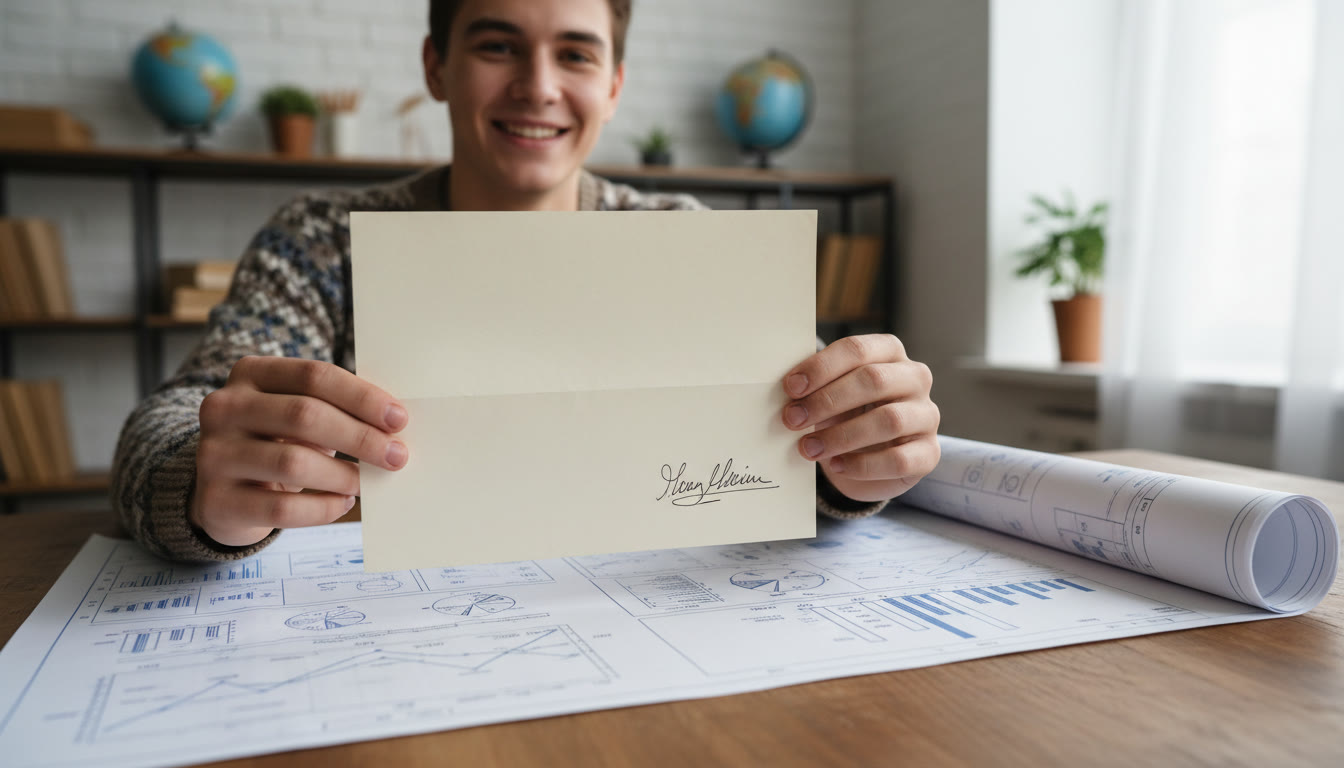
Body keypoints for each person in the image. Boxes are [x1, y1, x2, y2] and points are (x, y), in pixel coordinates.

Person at [111, 0, 941, 563]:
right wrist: (201, 485)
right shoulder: (319, 241)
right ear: (437, 67)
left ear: (614, 86)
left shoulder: (681, 242)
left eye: (575, 52)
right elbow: (174, 425)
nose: (537, 86)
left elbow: (799, 438)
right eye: (497, 44)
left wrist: (848, 453)